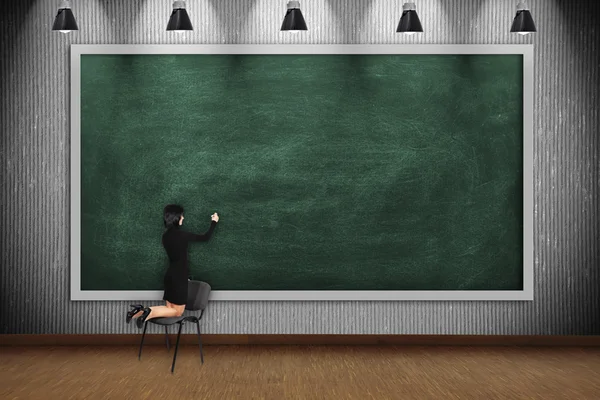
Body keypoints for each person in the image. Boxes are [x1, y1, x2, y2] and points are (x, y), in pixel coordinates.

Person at [126, 204, 219, 328]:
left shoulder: (165, 236)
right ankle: (146, 311)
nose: (183, 218)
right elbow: (205, 237)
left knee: (169, 309)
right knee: (177, 312)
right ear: (176, 218)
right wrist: (214, 222)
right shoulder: (182, 235)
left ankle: (139, 311)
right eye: (181, 216)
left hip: (170, 276)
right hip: (179, 277)